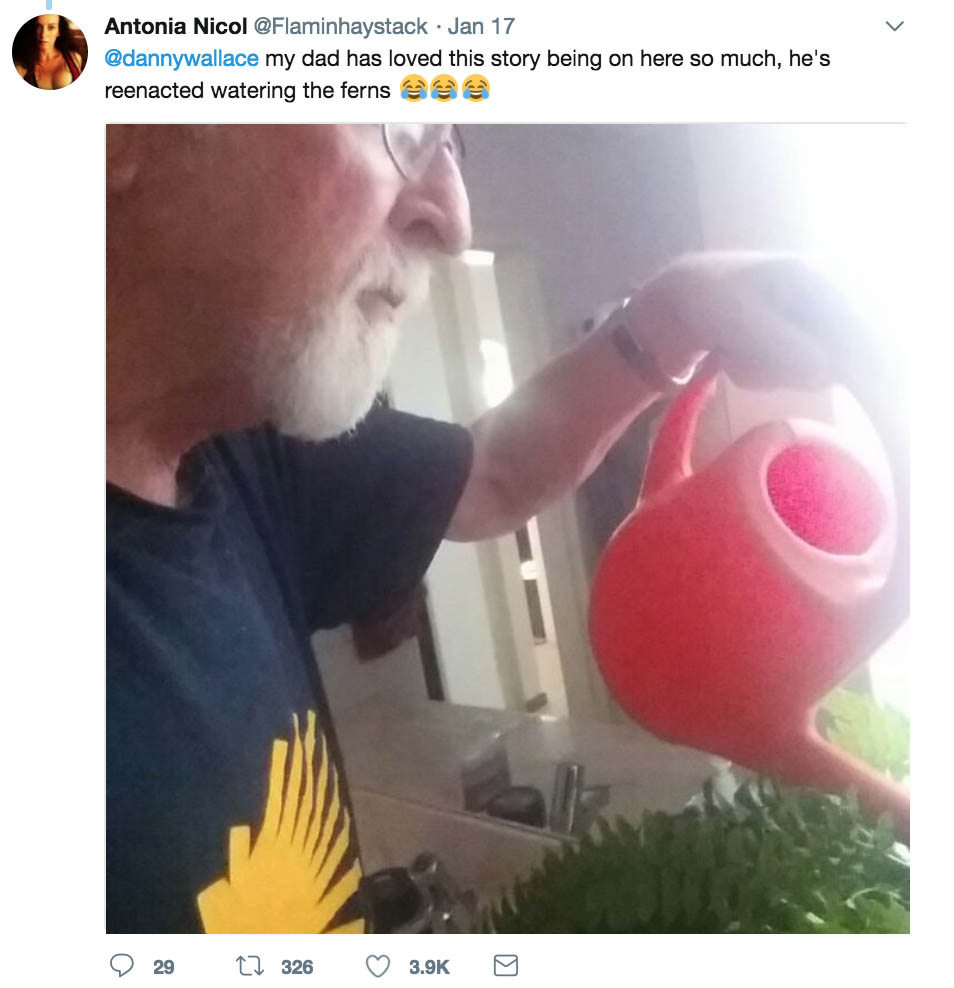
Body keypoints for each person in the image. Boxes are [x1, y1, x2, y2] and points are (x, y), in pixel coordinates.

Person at [106, 124, 907, 933]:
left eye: (453, 144)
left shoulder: (239, 451)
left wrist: (669, 319)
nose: (453, 219)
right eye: (397, 118)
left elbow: (492, 474)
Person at [13, 14, 84, 89]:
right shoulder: (21, 64)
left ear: (59, 31)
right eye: (38, 26)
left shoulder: (74, 57)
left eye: (51, 27)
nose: (43, 35)